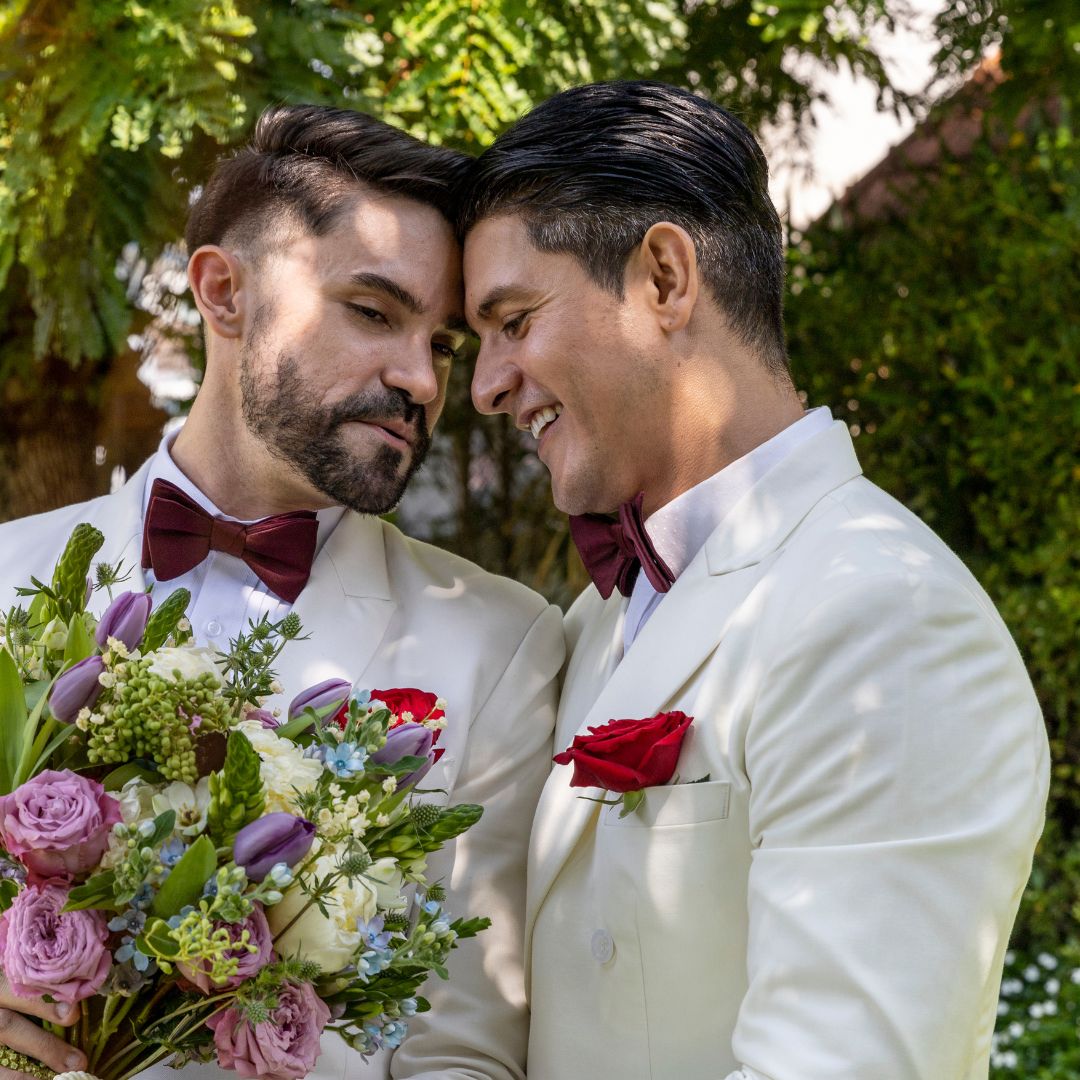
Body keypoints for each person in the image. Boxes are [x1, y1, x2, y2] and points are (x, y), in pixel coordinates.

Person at [458, 80, 1050, 1079]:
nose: (483, 385)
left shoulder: (885, 619)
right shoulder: (600, 621)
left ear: (662, 277)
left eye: (513, 320)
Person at [0, 105, 563, 1080]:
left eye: (442, 344)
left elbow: (461, 1056)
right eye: (375, 311)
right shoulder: (8, 579)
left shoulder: (502, 646)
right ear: (224, 293)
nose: (422, 380)